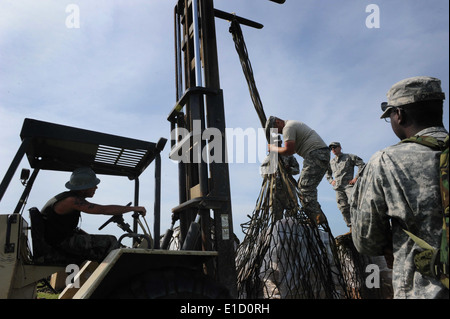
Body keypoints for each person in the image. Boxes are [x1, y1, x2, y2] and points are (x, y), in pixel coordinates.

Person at [350, 76, 449, 299]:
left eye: (390, 116)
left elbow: (366, 240)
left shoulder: (385, 161)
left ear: (399, 114)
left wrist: (387, 246)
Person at [41, 167, 147, 263]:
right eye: (93, 185)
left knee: (101, 244)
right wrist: (134, 208)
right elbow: (103, 209)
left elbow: (67, 229)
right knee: (110, 241)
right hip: (58, 245)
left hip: (58, 242)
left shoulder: (68, 198)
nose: (96, 187)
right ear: (83, 188)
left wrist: (86, 236)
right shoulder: (71, 200)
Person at [265, 116, 329, 224]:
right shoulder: (292, 125)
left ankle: (317, 216)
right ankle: (315, 215)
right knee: (305, 186)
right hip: (318, 154)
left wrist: (273, 148)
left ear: (278, 122)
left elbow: (289, 150)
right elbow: (292, 149)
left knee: (304, 187)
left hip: (316, 154)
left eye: (276, 130)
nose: (279, 133)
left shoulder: (288, 128)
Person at [326, 142, 365, 229]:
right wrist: (331, 181)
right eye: (331, 148)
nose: (333, 150)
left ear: (340, 147)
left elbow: (362, 165)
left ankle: (361, 222)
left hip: (348, 185)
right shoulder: (331, 162)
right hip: (338, 188)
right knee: (342, 207)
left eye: (334, 147)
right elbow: (328, 174)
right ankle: (351, 226)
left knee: (355, 202)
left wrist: (356, 178)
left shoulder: (349, 157)